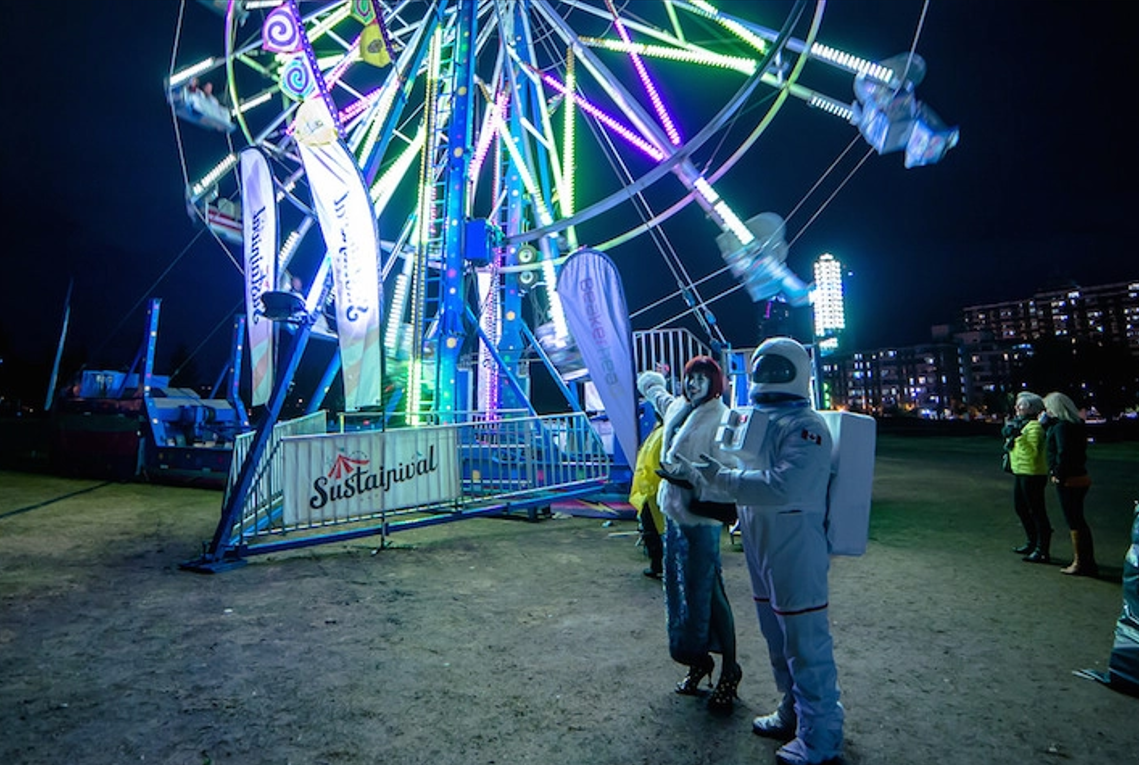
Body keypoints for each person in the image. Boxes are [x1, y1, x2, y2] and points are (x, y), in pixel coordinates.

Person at [676, 337, 843, 765]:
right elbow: (748, 475)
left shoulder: (806, 426)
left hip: (794, 541)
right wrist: (714, 480)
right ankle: (794, 710)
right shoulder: (760, 418)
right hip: (761, 536)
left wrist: (725, 479)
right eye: (763, 367)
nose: (767, 374)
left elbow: (785, 485)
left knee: (804, 639)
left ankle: (821, 736)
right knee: (777, 635)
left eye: (775, 367)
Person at [636, 356, 741, 712]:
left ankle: (730, 670)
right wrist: (650, 382)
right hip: (676, 516)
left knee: (711, 594)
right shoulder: (679, 407)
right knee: (681, 594)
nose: (693, 384)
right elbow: (659, 396)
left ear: (715, 383)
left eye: (701, 378)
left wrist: (691, 478)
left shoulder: (722, 416)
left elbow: (729, 472)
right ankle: (697, 660)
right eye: (689, 377)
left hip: (701, 518)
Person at [1041, 392, 1098, 576]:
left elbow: (1063, 452)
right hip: (1080, 476)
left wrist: (1058, 473)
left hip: (1069, 479)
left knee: (1074, 520)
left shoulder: (1061, 427)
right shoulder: (1075, 425)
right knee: (1078, 520)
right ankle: (1086, 561)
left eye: (1047, 408)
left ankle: (1081, 562)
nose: (1046, 412)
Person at [1003, 391, 1052, 563]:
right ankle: (1032, 542)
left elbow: (1033, 452)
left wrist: (1018, 437)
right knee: (1021, 508)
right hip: (1021, 471)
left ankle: (1041, 549)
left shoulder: (1035, 427)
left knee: (1036, 510)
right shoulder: (1020, 424)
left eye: (1021, 405)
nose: (1017, 408)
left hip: (1033, 473)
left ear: (1031, 409)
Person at [629, 416, 665, 579]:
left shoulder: (662, 431)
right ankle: (657, 564)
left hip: (653, 488)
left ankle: (659, 564)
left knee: (654, 529)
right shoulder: (661, 430)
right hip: (651, 489)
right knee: (652, 528)